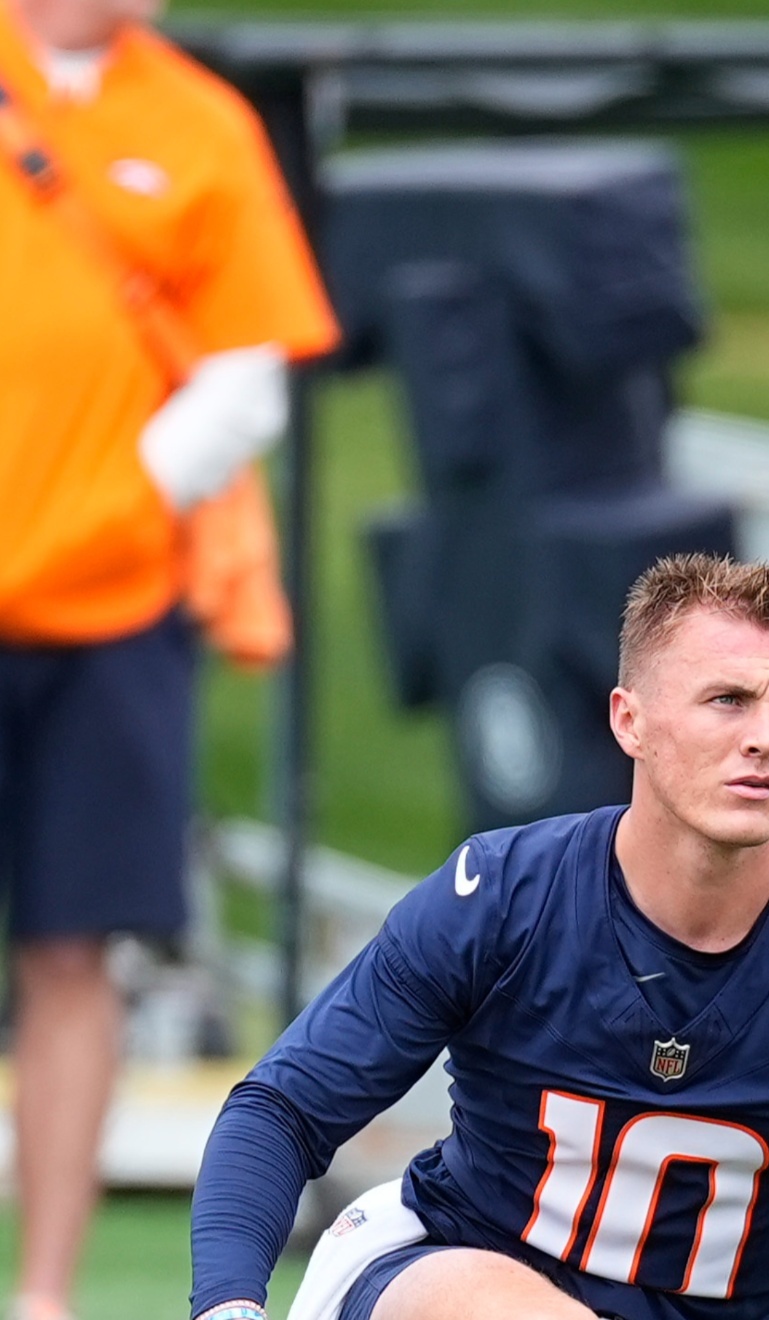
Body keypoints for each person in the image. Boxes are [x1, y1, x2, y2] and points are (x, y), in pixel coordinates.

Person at [187, 556, 769, 1320]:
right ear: (630, 721)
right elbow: (282, 1111)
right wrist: (227, 1308)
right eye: (727, 700)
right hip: (446, 1274)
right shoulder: (508, 896)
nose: (765, 738)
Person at [0, 0, 337, 1315]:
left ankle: (46, 1294)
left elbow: (249, 372)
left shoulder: (203, 123)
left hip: (116, 611)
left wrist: (116, 505)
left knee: (77, 950)